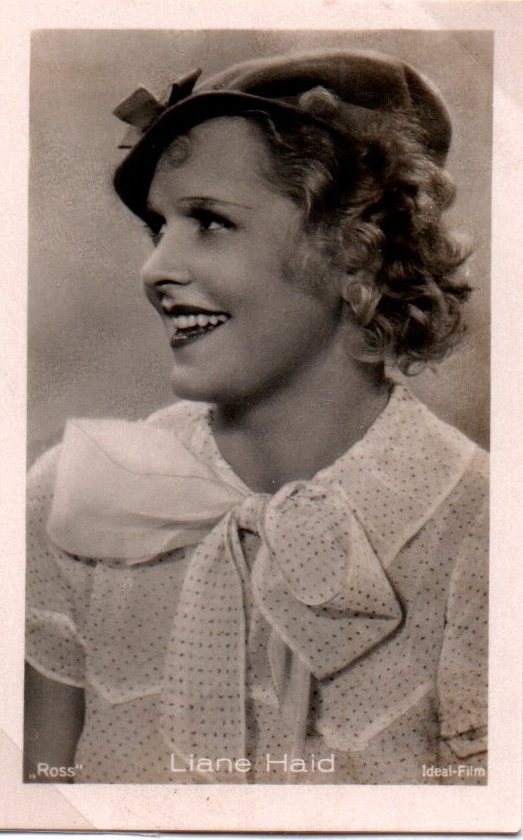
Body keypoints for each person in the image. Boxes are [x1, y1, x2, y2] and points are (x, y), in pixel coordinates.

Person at [24, 48, 488, 785]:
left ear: (358, 252)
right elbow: (31, 810)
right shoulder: (83, 494)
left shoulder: (482, 530)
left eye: (209, 221)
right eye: (159, 228)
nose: (156, 269)